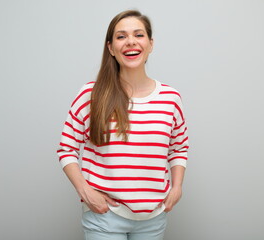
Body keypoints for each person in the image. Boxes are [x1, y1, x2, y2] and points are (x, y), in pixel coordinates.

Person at [57, 9, 189, 240]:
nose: (130, 42)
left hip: (153, 219)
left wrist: (177, 187)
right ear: (110, 48)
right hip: (104, 216)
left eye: (139, 35)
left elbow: (179, 148)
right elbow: (66, 149)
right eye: (121, 36)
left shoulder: (171, 98)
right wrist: (85, 191)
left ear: (150, 43)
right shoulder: (91, 94)